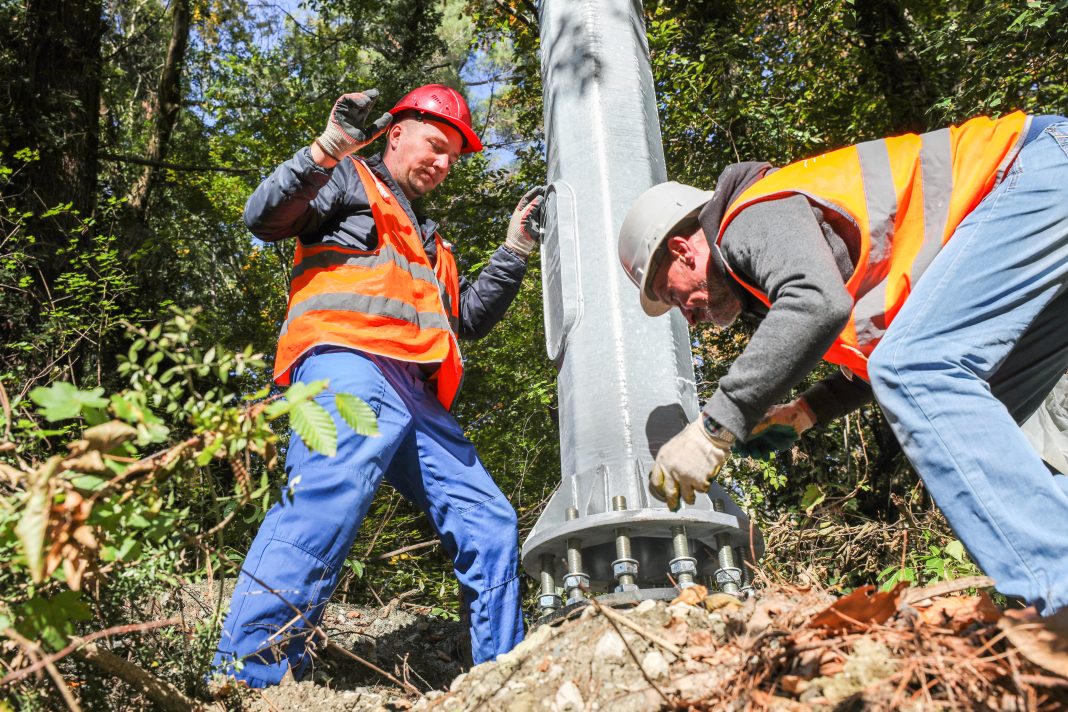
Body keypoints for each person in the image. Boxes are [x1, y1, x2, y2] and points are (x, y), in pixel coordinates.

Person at [617, 111, 1068, 615]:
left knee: (917, 370)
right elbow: (883, 344)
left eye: (671, 296)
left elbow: (817, 305)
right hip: (1041, 185)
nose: (688, 316)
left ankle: (1060, 594)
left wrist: (715, 427)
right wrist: (807, 411)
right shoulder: (780, 257)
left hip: (1036, 173)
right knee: (978, 425)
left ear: (682, 251)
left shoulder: (745, 217)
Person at [212, 85, 545, 686]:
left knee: (489, 520)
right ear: (397, 133)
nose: (443, 164)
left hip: (417, 396)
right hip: (348, 360)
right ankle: (247, 675)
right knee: (330, 495)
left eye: (452, 158)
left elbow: (464, 319)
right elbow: (265, 216)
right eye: (436, 146)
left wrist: (515, 247)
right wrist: (330, 145)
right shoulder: (348, 181)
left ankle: (500, 679)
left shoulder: (435, 243)